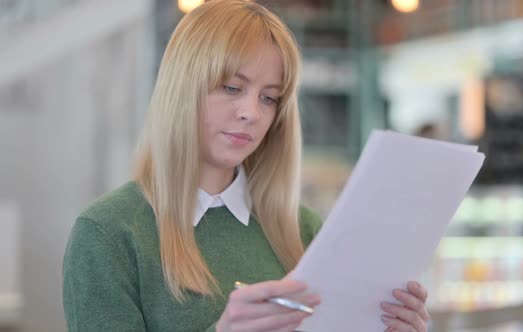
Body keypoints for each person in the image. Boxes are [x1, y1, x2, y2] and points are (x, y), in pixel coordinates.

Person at [62, 1, 430, 331]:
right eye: (231, 88)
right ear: (182, 88)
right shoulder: (108, 234)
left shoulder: (301, 229)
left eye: (269, 98)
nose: (251, 113)